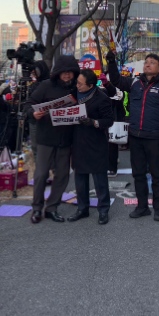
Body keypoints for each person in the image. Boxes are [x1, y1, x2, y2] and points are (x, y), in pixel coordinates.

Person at [106, 51, 159, 222]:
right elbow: (116, 80)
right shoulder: (134, 83)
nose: (147, 64)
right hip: (136, 137)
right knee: (138, 174)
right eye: (146, 62)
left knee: (156, 176)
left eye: (152, 62)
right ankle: (142, 207)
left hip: (155, 138)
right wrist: (111, 62)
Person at [25, 55, 79, 224]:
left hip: (66, 139)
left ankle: (52, 208)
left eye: (70, 72)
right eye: (64, 72)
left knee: (63, 175)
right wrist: (33, 114)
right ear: (58, 72)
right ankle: (36, 208)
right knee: (41, 174)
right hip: (46, 138)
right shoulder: (45, 86)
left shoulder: (77, 88)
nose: (67, 75)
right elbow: (28, 105)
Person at [68, 69, 114, 225]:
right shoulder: (73, 95)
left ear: (91, 85)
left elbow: (109, 120)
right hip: (78, 142)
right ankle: (82, 209)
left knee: (100, 180)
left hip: (96, 143)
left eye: (81, 84)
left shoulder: (102, 98)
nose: (78, 86)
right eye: (77, 83)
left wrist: (93, 122)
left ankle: (103, 210)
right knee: (80, 178)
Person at [27, 61, 50, 159]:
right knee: (36, 148)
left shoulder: (50, 84)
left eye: (35, 70)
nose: (34, 73)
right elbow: (27, 105)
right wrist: (31, 114)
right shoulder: (33, 86)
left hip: (49, 120)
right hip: (34, 120)